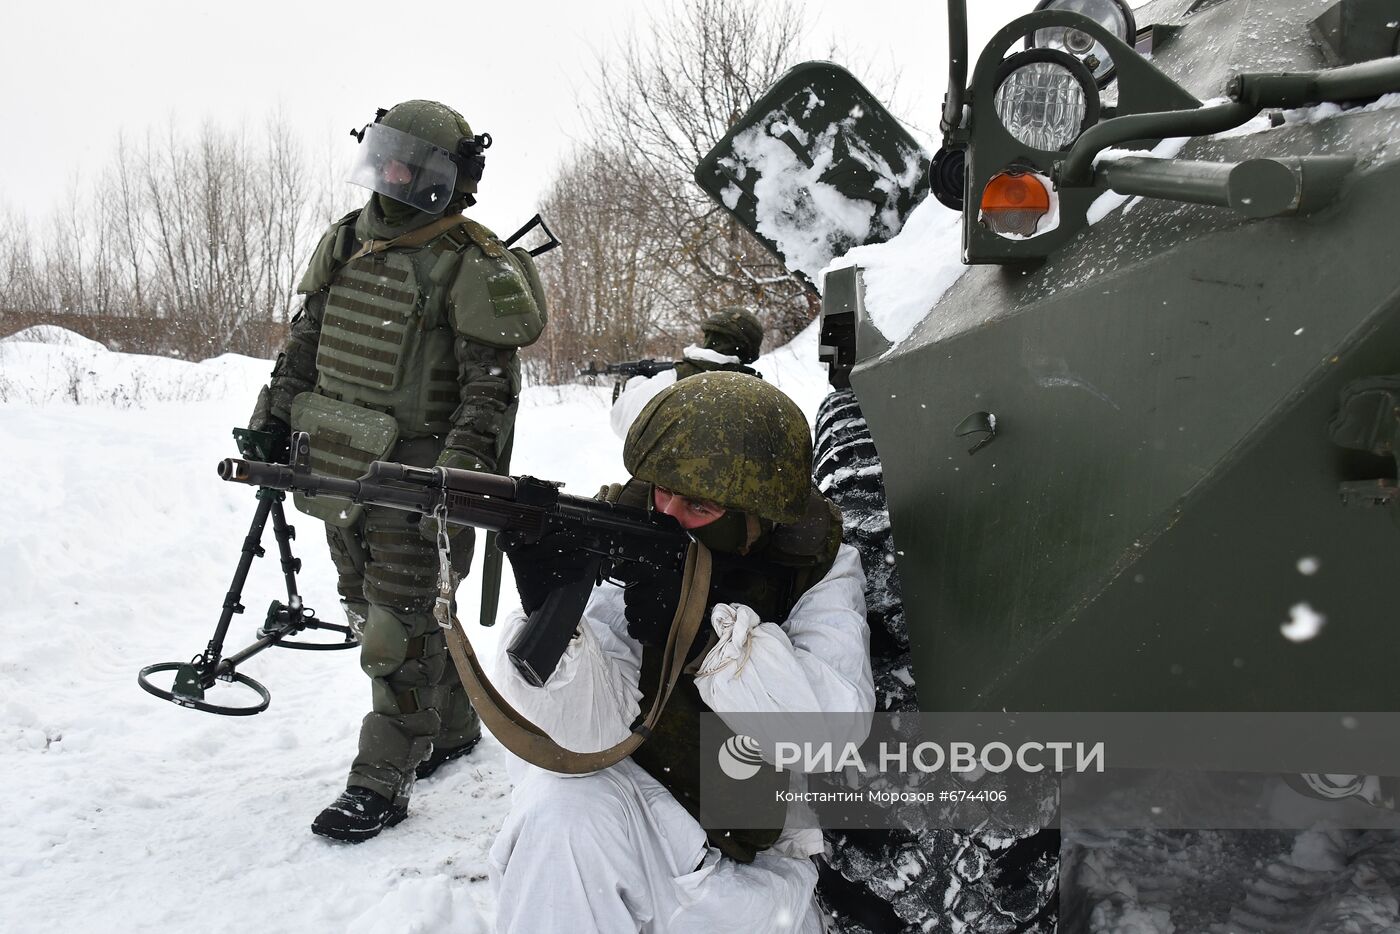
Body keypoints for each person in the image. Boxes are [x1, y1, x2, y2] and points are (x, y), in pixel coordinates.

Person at [246, 99, 546, 842]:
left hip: (414, 477)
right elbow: (305, 346)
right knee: (364, 603)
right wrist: (270, 421)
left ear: (447, 177)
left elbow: (491, 392)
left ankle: (379, 778)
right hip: (334, 461)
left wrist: (455, 477)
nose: (394, 174)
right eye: (388, 156)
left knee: (396, 629)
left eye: (411, 163)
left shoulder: (474, 263)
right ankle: (445, 727)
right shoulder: (347, 240)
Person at [489, 372, 873, 933]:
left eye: (699, 505)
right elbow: (575, 737)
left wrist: (708, 642)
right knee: (558, 813)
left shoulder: (814, 565)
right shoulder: (622, 531)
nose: (665, 516)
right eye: (661, 489)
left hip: (750, 848)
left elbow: (830, 733)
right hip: (629, 805)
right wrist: (554, 612)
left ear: (756, 518)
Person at [609, 306, 765, 439]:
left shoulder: (674, 379)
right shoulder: (759, 390)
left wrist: (635, 381)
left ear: (708, 335)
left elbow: (622, 422)